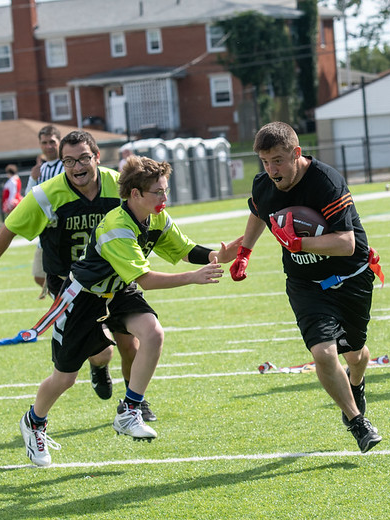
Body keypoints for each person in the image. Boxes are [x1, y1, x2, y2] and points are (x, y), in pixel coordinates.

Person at [18, 154, 241, 466]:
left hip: (118, 289)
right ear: (135, 194)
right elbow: (146, 280)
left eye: (166, 190)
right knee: (65, 378)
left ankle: (130, 410)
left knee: (152, 334)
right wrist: (193, 278)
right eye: (159, 192)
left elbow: (185, 249)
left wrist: (220, 254)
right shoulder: (117, 227)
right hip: (84, 296)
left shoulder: (156, 216)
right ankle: (33, 421)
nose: (165, 197)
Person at [229, 121, 383, 453]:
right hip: (305, 284)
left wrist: (299, 243)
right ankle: (357, 422)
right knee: (324, 352)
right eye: (265, 162)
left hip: (350, 278)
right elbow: (259, 213)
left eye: (278, 161)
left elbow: (345, 243)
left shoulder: (326, 182)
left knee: (355, 354)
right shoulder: (264, 184)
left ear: (297, 154)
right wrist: (244, 252)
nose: (271, 170)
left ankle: (356, 383)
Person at [0, 130, 137, 411]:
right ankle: (97, 368)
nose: (78, 167)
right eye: (69, 161)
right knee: (103, 352)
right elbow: (8, 229)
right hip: (70, 285)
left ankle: (134, 405)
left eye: (83, 158)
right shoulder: (47, 194)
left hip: (113, 277)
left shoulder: (118, 186)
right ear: (61, 164)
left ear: (96, 157)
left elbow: (149, 218)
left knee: (133, 344)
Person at [27, 125, 65, 296]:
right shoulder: (40, 170)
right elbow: (29, 199)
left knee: (61, 277)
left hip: (64, 231)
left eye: (52, 142)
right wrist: (32, 179)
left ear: (59, 142)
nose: (48, 146)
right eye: (44, 142)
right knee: (38, 275)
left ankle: (68, 307)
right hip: (46, 232)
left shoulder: (66, 166)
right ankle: (63, 303)